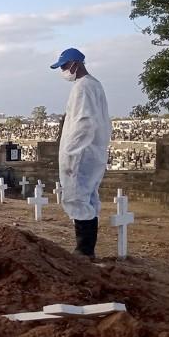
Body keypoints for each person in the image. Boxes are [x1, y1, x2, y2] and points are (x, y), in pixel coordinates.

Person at [50, 48, 112, 259]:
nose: (64, 71)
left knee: (77, 196)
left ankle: (84, 250)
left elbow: (84, 123)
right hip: (92, 151)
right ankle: (87, 249)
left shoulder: (83, 87)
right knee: (87, 196)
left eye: (65, 66)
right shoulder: (94, 84)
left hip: (80, 153)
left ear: (75, 63)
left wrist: (71, 152)